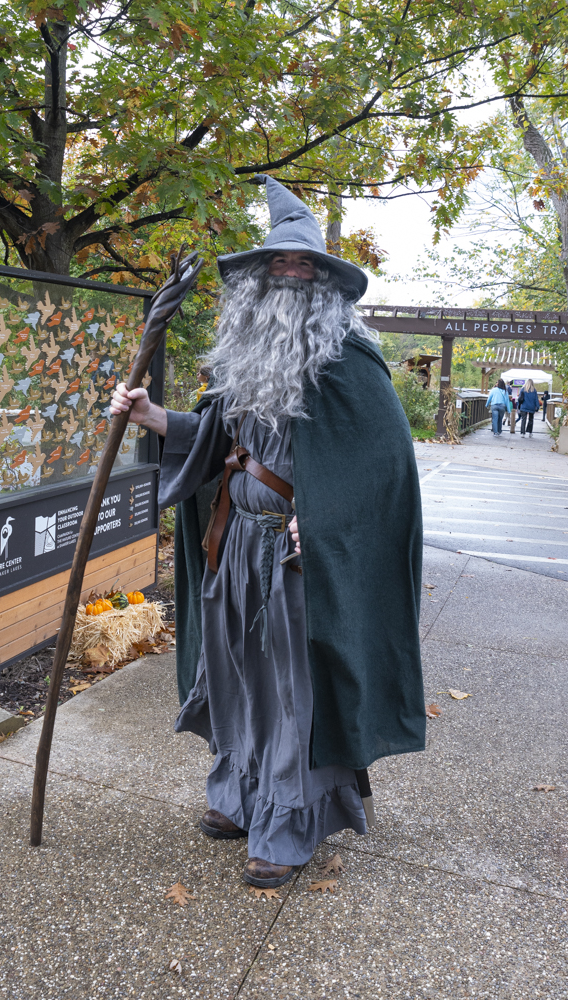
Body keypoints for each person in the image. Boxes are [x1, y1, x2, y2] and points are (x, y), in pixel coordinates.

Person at [111, 175, 425, 889]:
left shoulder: (349, 359)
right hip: (234, 543)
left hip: (296, 555)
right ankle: (236, 795)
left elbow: (381, 467)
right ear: (255, 277)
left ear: (325, 282)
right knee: (233, 674)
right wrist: (156, 419)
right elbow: (219, 439)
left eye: (303, 265)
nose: (289, 275)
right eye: (277, 264)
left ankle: (287, 823)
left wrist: (322, 527)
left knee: (292, 688)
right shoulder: (242, 356)